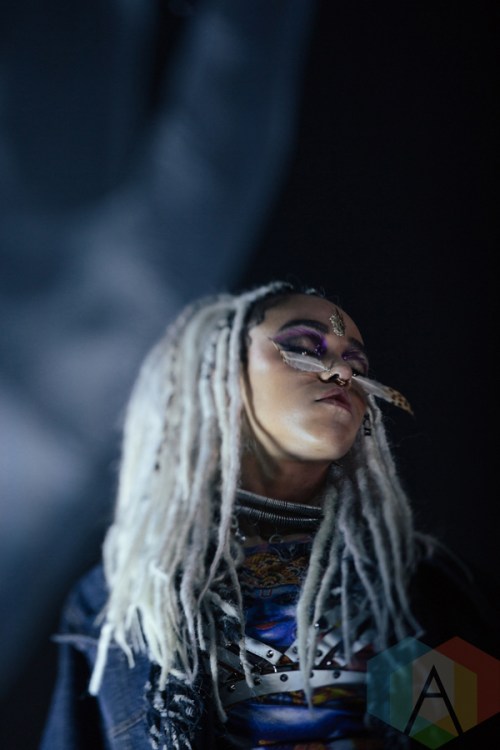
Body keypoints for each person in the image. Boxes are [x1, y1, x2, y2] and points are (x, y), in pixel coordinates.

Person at [39, 280, 498, 750]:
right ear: (214, 372)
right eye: (302, 349)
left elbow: (454, 732)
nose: (342, 372)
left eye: (357, 365)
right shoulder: (120, 604)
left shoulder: (424, 592)